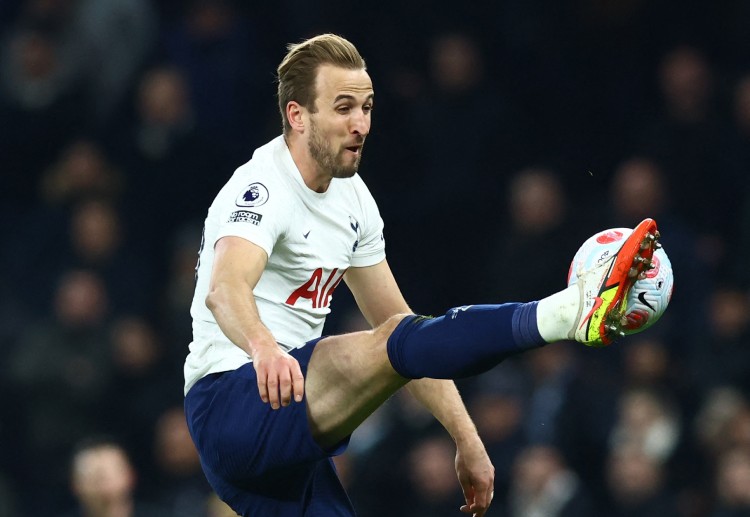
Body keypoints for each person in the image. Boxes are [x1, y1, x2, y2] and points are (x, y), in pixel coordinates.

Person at [183, 33, 661, 517]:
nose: (361, 125)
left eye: (367, 107)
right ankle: (565, 312)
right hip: (233, 402)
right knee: (388, 341)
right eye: (344, 108)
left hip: (292, 429)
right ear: (297, 115)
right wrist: (264, 348)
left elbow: (407, 331)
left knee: (397, 335)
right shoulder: (262, 187)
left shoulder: (354, 202)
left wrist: (465, 436)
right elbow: (225, 290)